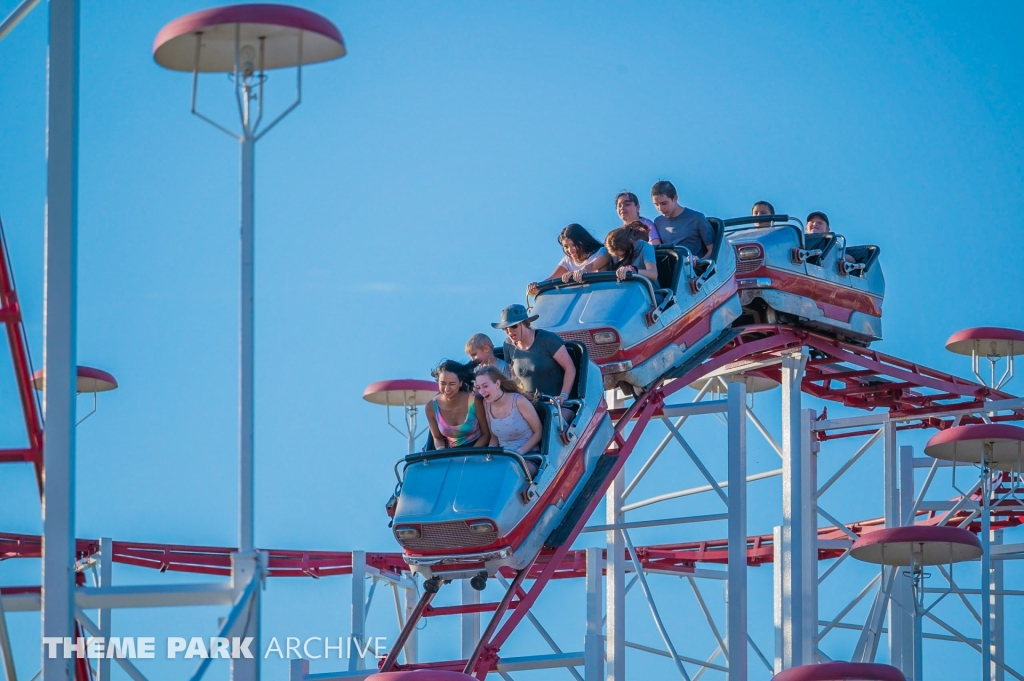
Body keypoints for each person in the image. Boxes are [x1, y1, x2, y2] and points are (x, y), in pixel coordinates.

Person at [492, 304, 576, 423]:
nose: (509, 331)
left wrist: (563, 395)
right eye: (505, 328)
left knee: (553, 425)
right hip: (530, 405)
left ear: (525, 323)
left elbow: (570, 367)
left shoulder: (547, 339)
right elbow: (513, 376)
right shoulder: (508, 345)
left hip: (557, 404)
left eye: (513, 326)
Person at [474, 365, 543, 467]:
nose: (481, 392)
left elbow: (538, 432)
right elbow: (494, 438)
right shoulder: (486, 404)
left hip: (528, 456)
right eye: (479, 388)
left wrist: (518, 453)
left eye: (485, 386)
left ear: (497, 383)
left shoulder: (519, 401)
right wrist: (490, 455)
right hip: (505, 459)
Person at [424, 359, 490, 450]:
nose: (447, 389)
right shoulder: (431, 407)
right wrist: (440, 450)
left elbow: (486, 434)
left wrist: (471, 455)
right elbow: (437, 437)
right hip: (451, 454)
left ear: (460, 383)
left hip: (477, 451)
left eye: (452, 384)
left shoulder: (474, 401)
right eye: (443, 383)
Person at [527, 224, 607, 296]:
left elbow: (593, 265)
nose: (570, 250)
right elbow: (552, 279)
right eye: (566, 247)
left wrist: (581, 272)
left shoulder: (602, 251)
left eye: (573, 245)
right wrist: (536, 287)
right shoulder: (568, 260)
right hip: (579, 298)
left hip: (599, 295)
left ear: (583, 240)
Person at [650, 180, 715, 258]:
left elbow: (713, 249)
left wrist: (699, 261)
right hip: (670, 267)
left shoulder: (696, 218)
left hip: (692, 268)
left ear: (675, 198)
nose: (660, 208)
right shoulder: (658, 222)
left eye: (664, 203)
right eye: (656, 204)